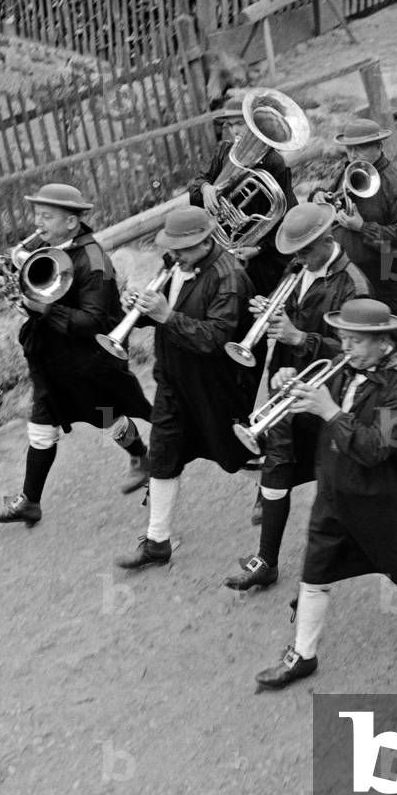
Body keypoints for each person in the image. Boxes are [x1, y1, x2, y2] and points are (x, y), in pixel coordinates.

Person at [255, 299, 397, 689]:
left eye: (355, 342)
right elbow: (316, 403)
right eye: (343, 338)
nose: (346, 348)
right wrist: (289, 383)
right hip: (336, 490)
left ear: (384, 343)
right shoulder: (345, 362)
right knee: (315, 567)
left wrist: (330, 411)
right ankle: (303, 655)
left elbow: (374, 449)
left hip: (389, 499)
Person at [0, 183, 153, 525]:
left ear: (72, 222)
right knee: (42, 423)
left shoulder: (94, 263)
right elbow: (16, 262)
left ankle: (144, 455)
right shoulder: (47, 244)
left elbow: (92, 321)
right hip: (52, 357)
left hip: (90, 360)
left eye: (46, 216)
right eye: (36, 215)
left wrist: (44, 310)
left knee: (108, 415)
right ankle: (29, 501)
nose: (37, 223)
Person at [224, 203, 372, 591]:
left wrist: (298, 338)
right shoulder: (296, 268)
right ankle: (266, 561)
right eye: (295, 253)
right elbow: (288, 309)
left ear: (329, 239)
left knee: (334, 477)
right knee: (277, 463)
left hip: (327, 391)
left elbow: (353, 353)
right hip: (288, 382)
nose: (300, 260)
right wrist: (267, 310)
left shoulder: (353, 285)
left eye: (306, 251)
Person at [114, 207, 259, 569]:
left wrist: (165, 315)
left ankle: (274, 478)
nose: (174, 255)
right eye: (172, 247)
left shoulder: (230, 277)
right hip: (173, 380)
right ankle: (157, 542)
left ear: (205, 241)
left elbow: (215, 339)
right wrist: (142, 309)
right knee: (163, 455)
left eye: (182, 248)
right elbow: (167, 312)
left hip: (216, 386)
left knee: (234, 453)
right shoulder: (173, 265)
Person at [310, 118, 397, 348]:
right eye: (349, 148)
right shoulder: (348, 171)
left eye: (361, 147)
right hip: (352, 277)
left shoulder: (396, 184)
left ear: (379, 147)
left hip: (386, 280)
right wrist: (319, 194)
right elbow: (329, 195)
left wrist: (361, 227)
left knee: (394, 341)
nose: (354, 154)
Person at [188, 107, 298, 297]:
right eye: (229, 125)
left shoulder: (273, 162)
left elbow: (288, 214)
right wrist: (206, 188)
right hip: (221, 245)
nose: (234, 131)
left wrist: (257, 248)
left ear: (254, 126)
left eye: (240, 123)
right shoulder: (224, 151)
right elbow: (196, 188)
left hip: (260, 255)